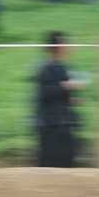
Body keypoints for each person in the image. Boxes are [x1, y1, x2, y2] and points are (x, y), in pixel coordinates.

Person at [34, 31, 86, 168]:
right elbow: (45, 92)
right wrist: (65, 86)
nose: (67, 48)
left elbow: (62, 94)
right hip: (49, 124)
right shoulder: (44, 68)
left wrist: (72, 99)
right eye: (64, 45)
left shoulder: (64, 67)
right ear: (56, 47)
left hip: (64, 122)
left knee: (68, 158)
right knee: (48, 161)